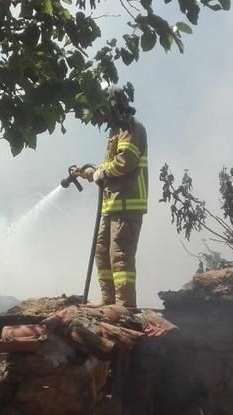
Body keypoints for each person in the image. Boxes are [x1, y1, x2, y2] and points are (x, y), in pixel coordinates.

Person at [81, 85, 148, 308]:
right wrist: (92, 173)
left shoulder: (131, 128)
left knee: (120, 255)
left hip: (127, 203)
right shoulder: (117, 131)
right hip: (113, 203)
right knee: (102, 252)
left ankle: (124, 305)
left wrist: (103, 172)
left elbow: (125, 162)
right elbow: (113, 163)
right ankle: (109, 300)